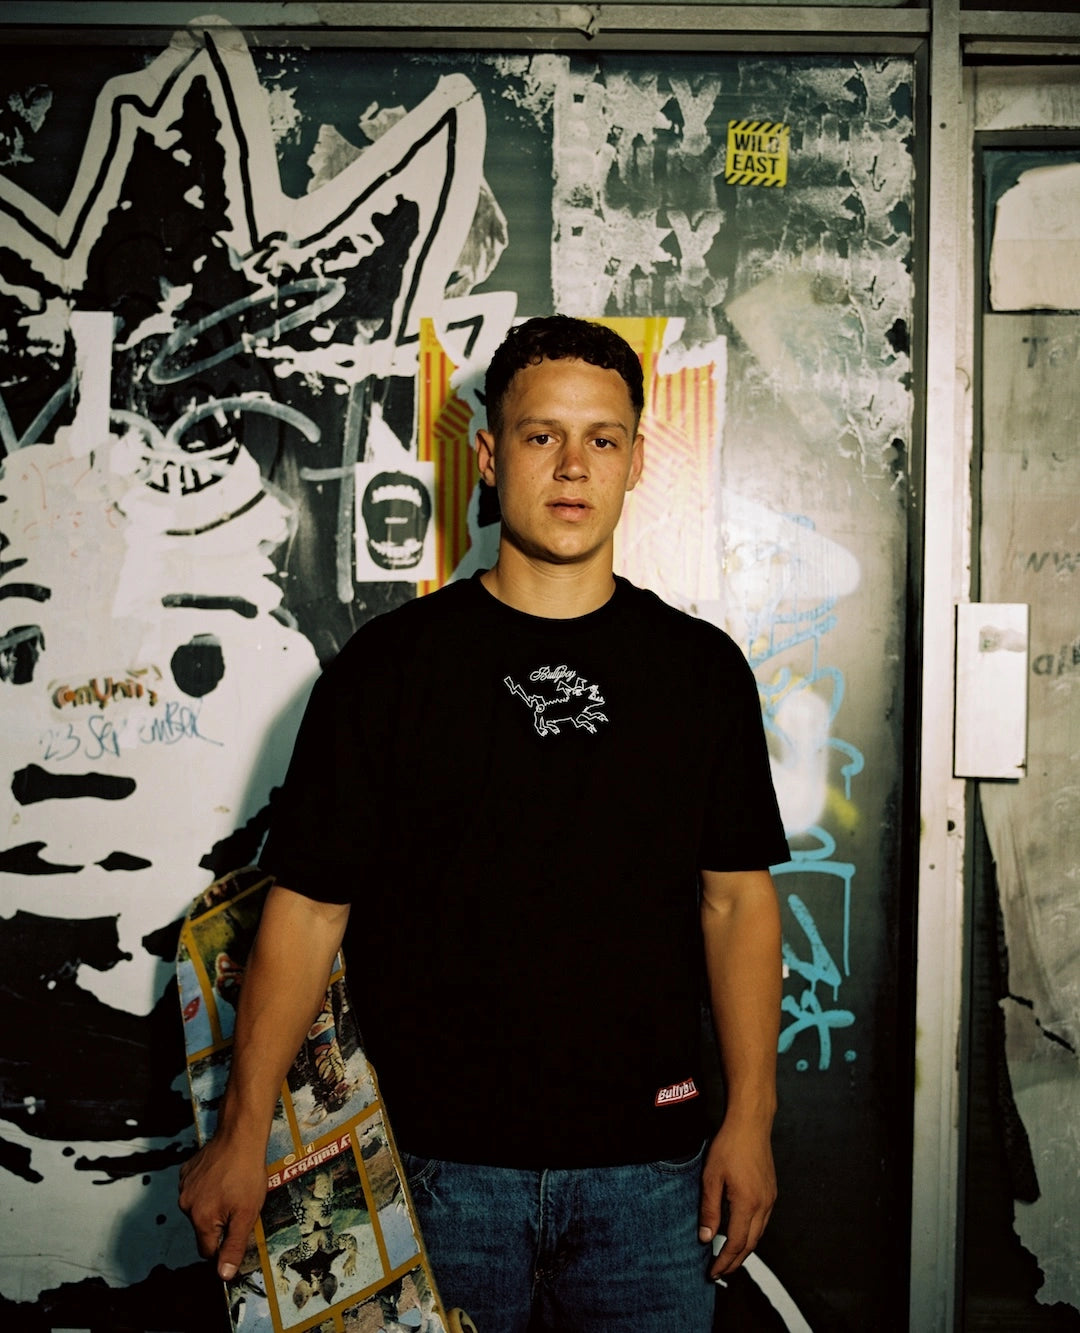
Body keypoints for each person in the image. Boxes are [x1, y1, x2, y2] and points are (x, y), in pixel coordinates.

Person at [179, 315, 789, 1331]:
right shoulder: (388, 670)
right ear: (490, 453)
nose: (571, 465)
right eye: (541, 433)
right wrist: (245, 1132)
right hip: (430, 1172)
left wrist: (753, 1119)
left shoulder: (700, 672)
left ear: (637, 460)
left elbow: (737, 904)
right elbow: (308, 908)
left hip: (650, 1176)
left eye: (601, 438)